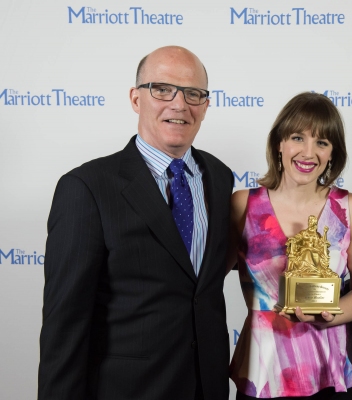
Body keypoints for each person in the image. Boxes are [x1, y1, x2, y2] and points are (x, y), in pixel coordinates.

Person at [38, 46, 232, 400]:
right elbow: (65, 326)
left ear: (205, 105)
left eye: (193, 93)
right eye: (162, 89)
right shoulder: (87, 187)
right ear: (135, 98)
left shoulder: (218, 177)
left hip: (208, 387)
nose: (179, 104)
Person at [228, 92, 352, 399]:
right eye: (298, 137)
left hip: (336, 370)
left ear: (333, 153)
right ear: (279, 143)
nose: (308, 152)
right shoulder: (243, 204)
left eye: (322, 142)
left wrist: (331, 315)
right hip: (265, 368)